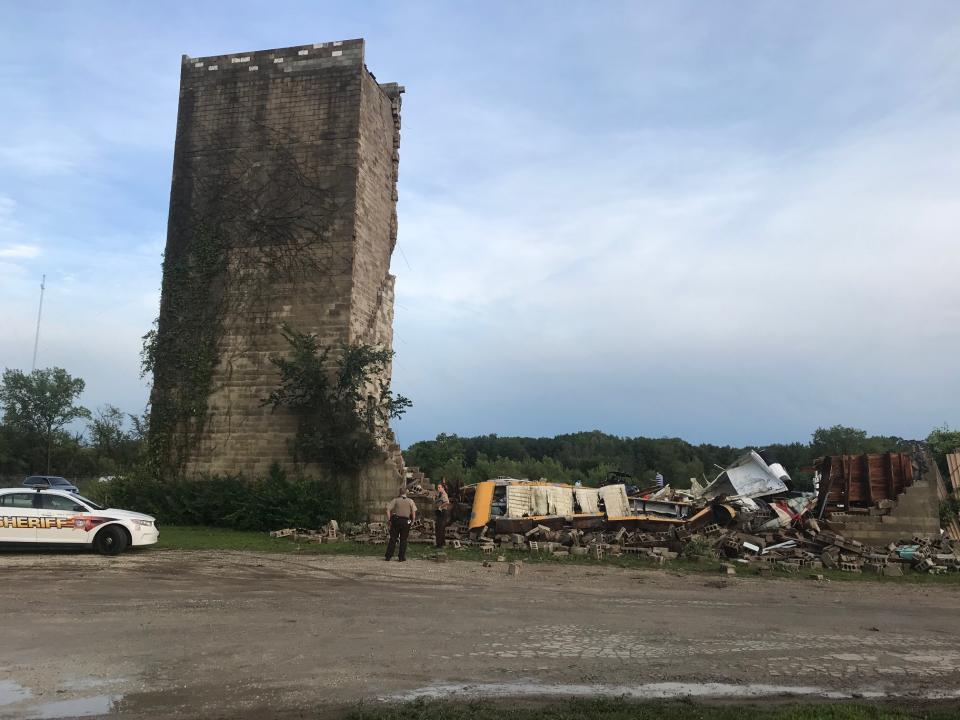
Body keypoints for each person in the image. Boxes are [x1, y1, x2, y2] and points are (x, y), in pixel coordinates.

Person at [385, 488, 417, 562]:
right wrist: (413, 521)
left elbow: (387, 509)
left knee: (393, 538)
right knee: (403, 539)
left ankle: (388, 556)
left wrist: (389, 519)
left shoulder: (395, 500)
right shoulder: (410, 501)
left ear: (399, 493)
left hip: (396, 521)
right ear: (406, 492)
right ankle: (401, 557)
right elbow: (413, 513)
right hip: (406, 521)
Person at [434, 478, 451, 549]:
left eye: (439, 487)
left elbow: (447, 502)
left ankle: (439, 545)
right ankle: (442, 543)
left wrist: (440, 507)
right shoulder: (440, 494)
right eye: (437, 487)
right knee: (441, 528)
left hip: (443, 512)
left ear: (442, 488)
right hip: (440, 513)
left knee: (440, 528)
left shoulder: (444, 494)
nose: (438, 488)